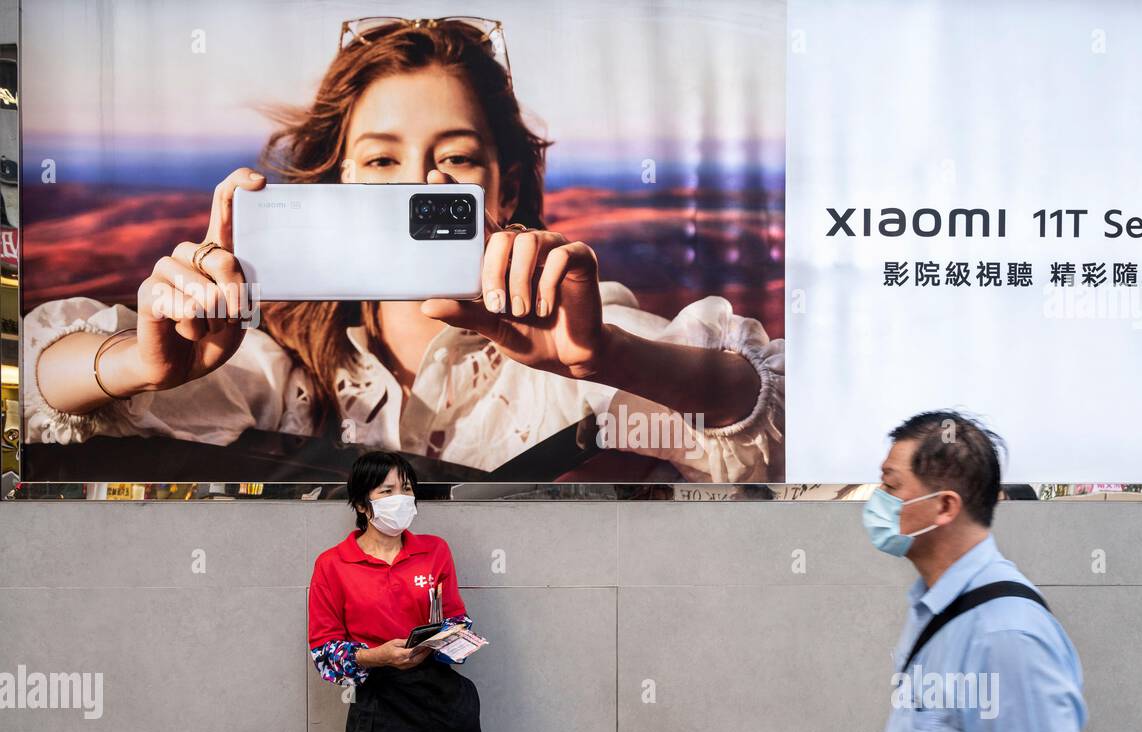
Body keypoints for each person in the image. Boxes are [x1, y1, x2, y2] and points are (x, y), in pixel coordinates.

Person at [23, 16, 783, 482]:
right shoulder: (276, 361)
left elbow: (772, 417)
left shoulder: (575, 340)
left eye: (452, 159)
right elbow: (35, 386)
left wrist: (608, 360)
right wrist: (139, 363)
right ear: (340, 176)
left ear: (505, 189)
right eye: (382, 160)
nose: (416, 184)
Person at [858, 411, 1100, 732]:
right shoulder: (938, 603)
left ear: (945, 507)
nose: (877, 501)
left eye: (891, 486)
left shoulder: (1005, 634)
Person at [309, 449, 480, 732]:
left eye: (406, 488)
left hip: (438, 710)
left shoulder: (434, 551)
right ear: (363, 503)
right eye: (388, 490)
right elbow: (324, 653)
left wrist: (448, 641)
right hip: (378, 716)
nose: (401, 498)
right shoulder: (333, 565)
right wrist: (378, 656)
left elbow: (457, 618)